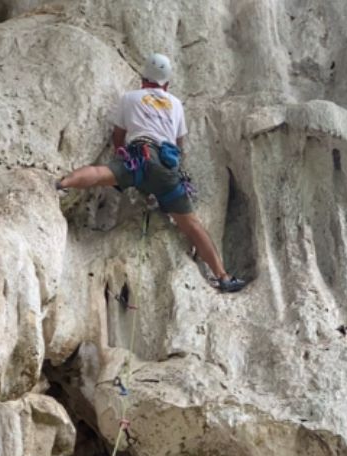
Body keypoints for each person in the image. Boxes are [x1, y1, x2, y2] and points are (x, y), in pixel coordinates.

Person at [56, 53, 247, 293]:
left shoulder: (130, 98)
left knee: (100, 173)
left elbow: (118, 136)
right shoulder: (175, 104)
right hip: (166, 168)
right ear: (166, 84)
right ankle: (223, 276)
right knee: (193, 226)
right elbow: (179, 146)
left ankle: (62, 184)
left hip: (139, 158)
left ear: (143, 78)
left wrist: (122, 161)